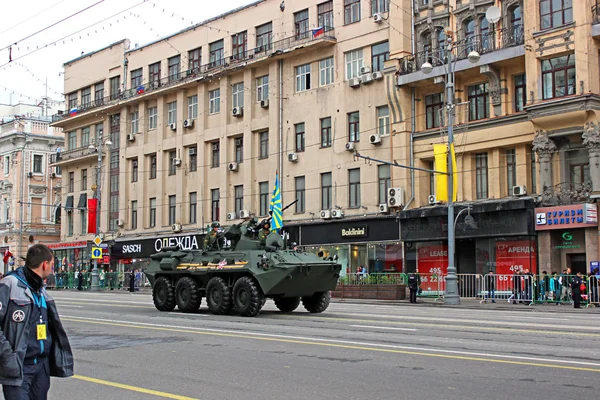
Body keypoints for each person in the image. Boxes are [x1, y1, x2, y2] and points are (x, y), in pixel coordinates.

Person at [0, 244, 74, 399]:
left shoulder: (40, 290)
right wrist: (8, 356)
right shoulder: (10, 284)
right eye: (52, 265)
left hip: (41, 367)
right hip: (19, 367)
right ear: (45, 264)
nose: (52, 269)